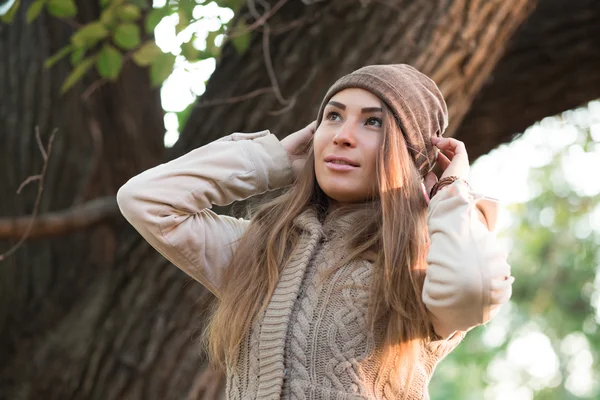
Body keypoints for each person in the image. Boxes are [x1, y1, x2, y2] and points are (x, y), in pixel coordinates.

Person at [117, 64, 513, 400]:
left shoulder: (423, 261)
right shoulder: (260, 249)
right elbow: (146, 200)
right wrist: (271, 161)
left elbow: (473, 290)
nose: (342, 134)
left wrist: (452, 193)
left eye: (373, 121)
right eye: (333, 116)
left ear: (413, 156)